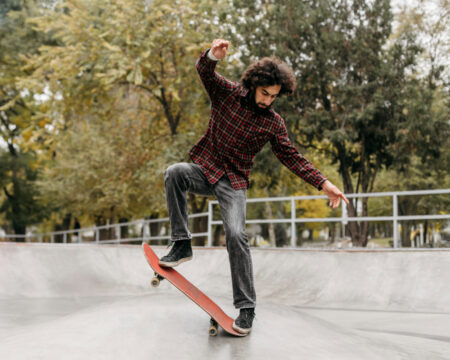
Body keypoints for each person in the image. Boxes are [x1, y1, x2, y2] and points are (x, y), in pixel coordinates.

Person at [159, 39, 349, 334]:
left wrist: (323, 183)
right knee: (174, 173)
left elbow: (290, 156)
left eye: (274, 97)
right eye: (264, 94)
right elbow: (205, 73)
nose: (267, 101)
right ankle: (181, 243)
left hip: (233, 183)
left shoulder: (273, 123)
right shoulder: (228, 94)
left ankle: (246, 309)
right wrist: (212, 56)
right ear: (253, 85)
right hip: (205, 170)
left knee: (236, 234)